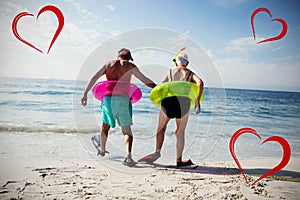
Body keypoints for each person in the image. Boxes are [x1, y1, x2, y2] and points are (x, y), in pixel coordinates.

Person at [81, 48, 156, 167]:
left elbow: (94, 77)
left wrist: (85, 93)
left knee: (105, 126)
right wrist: (157, 88)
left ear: (118, 56)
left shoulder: (108, 64)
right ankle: (129, 156)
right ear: (129, 58)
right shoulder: (130, 66)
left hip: (108, 100)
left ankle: (102, 150)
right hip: (123, 100)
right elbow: (144, 80)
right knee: (127, 131)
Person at [141, 53, 204, 168]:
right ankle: (179, 161)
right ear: (187, 63)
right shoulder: (190, 73)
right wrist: (197, 101)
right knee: (180, 132)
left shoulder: (170, 72)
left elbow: (160, 88)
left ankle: (157, 152)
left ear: (176, 62)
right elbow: (200, 83)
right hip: (183, 103)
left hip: (168, 102)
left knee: (161, 128)